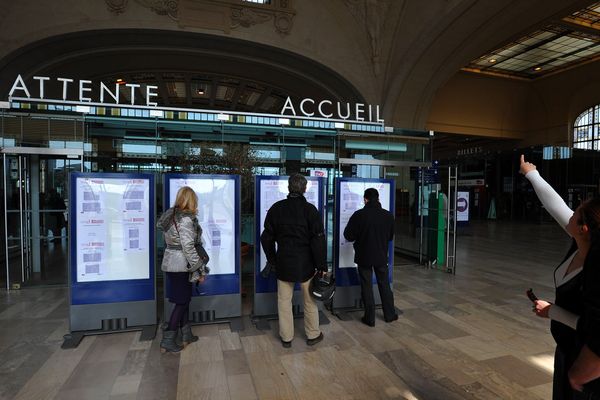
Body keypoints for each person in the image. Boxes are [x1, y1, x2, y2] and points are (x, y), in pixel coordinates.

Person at [520, 155, 600, 399]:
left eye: (576, 212)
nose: (570, 214)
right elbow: (555, 206)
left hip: (586, 360)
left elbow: (592, 327)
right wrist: (531, 173)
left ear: (583, 227)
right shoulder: (579, 243)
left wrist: (552, 311)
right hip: (567, 347)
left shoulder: (595, 268)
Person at [260, 173, 327, 348]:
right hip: (307, 265)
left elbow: (266, 238)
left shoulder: (277, 208)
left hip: (284, 263)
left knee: (283, 301)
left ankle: (286, 337)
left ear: (289, 188)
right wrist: (321, 266)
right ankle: (313, 334)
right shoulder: (310, 210)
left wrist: (272, 259)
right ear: (304, 189)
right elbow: (318, 241)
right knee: (310, 301)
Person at [157, 186, 209, 353]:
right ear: (191, 201)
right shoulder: (185, 220)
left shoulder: (170, 216)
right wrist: (199, 270)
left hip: (172, 262)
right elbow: (188, 247)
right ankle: (168, 339)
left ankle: (186, 334)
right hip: (181, 264)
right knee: (181, 302)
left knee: (184, 299)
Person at [343, 188, 397, 327]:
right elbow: (390, 237)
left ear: (365, 199)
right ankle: (390, 314)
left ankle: (370, 318)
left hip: (364, 256)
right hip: (381, 256)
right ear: (378, 199)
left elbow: (348, 235)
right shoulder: (388, 215)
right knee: (384, 284)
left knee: (366, 286)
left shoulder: (359, 215)